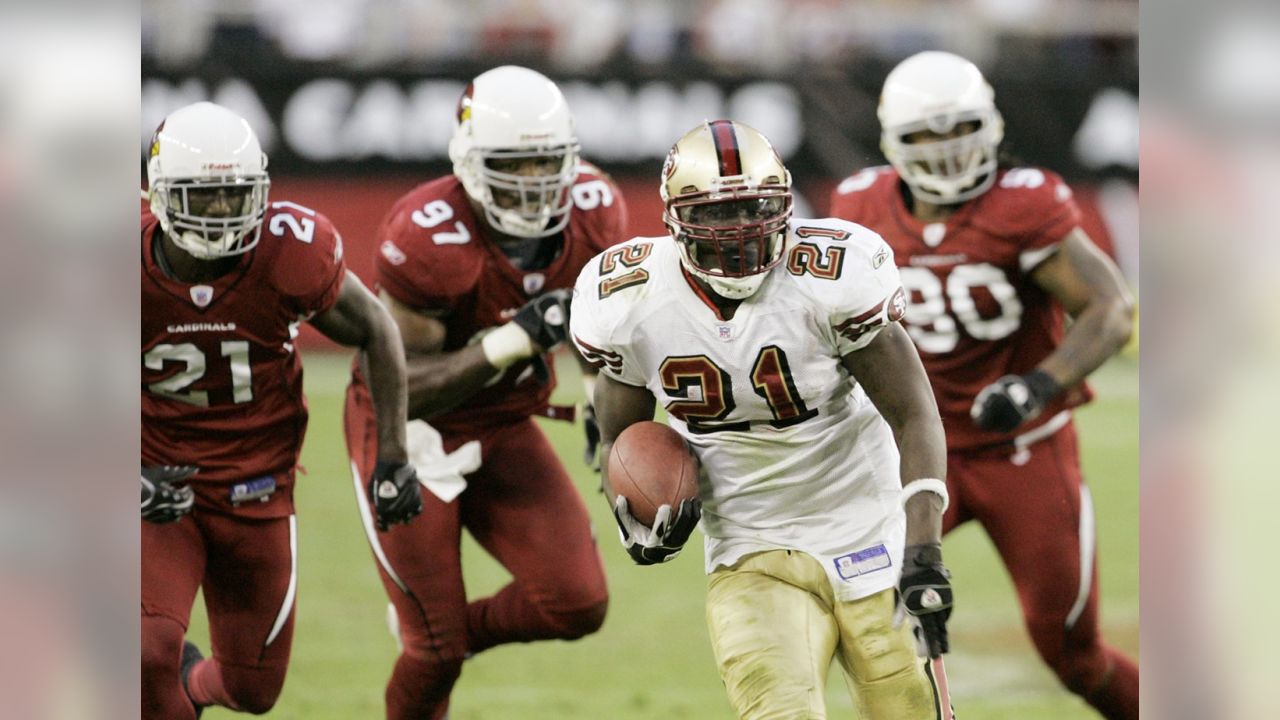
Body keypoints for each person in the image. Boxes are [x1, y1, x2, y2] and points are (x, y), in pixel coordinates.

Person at [572, 119, 954, 720]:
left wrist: (924, 547)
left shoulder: (831, 274)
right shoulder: (629, 298)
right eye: (718, 215)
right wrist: (636, 516)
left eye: (754, 208)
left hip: (870, 527)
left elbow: (914, 415)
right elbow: (623, 442)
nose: (739, 230)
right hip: (749, 543)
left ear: (784, 203)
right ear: (674, 219)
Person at [829, 51, 1139, 719]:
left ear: (990, 127)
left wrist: (1037, 385)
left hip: (1020, 448)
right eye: (924, 136)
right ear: (893, 142)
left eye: (959, 129)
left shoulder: (1024, 202)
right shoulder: (860, 205)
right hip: (910, 453)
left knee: (1072, 652)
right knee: (860, 630)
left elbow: (1111, 307)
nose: (944, 151)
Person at [342, 65, 625, 719]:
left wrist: (599, 406)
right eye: (513, 165)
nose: (532, 183)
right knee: (432, 656)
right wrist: (510, 342)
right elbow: (401, 386)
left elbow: (596, 322)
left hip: (502, 424)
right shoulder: (428, 234)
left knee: (577, 602)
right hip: (407, 434)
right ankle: (431, 642)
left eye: (545, 163)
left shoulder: (593, 208)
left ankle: (435, 635)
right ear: (470, 162)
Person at [141, 101, 423, 719]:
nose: (221, 213)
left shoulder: (291, 250)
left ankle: (192, 683)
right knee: (142, 653)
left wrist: (394, 457)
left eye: (234, 195)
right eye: (202, 196)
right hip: (160, 487)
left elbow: (376, 328)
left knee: (252, 691)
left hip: (257, 488)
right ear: (160, 195)